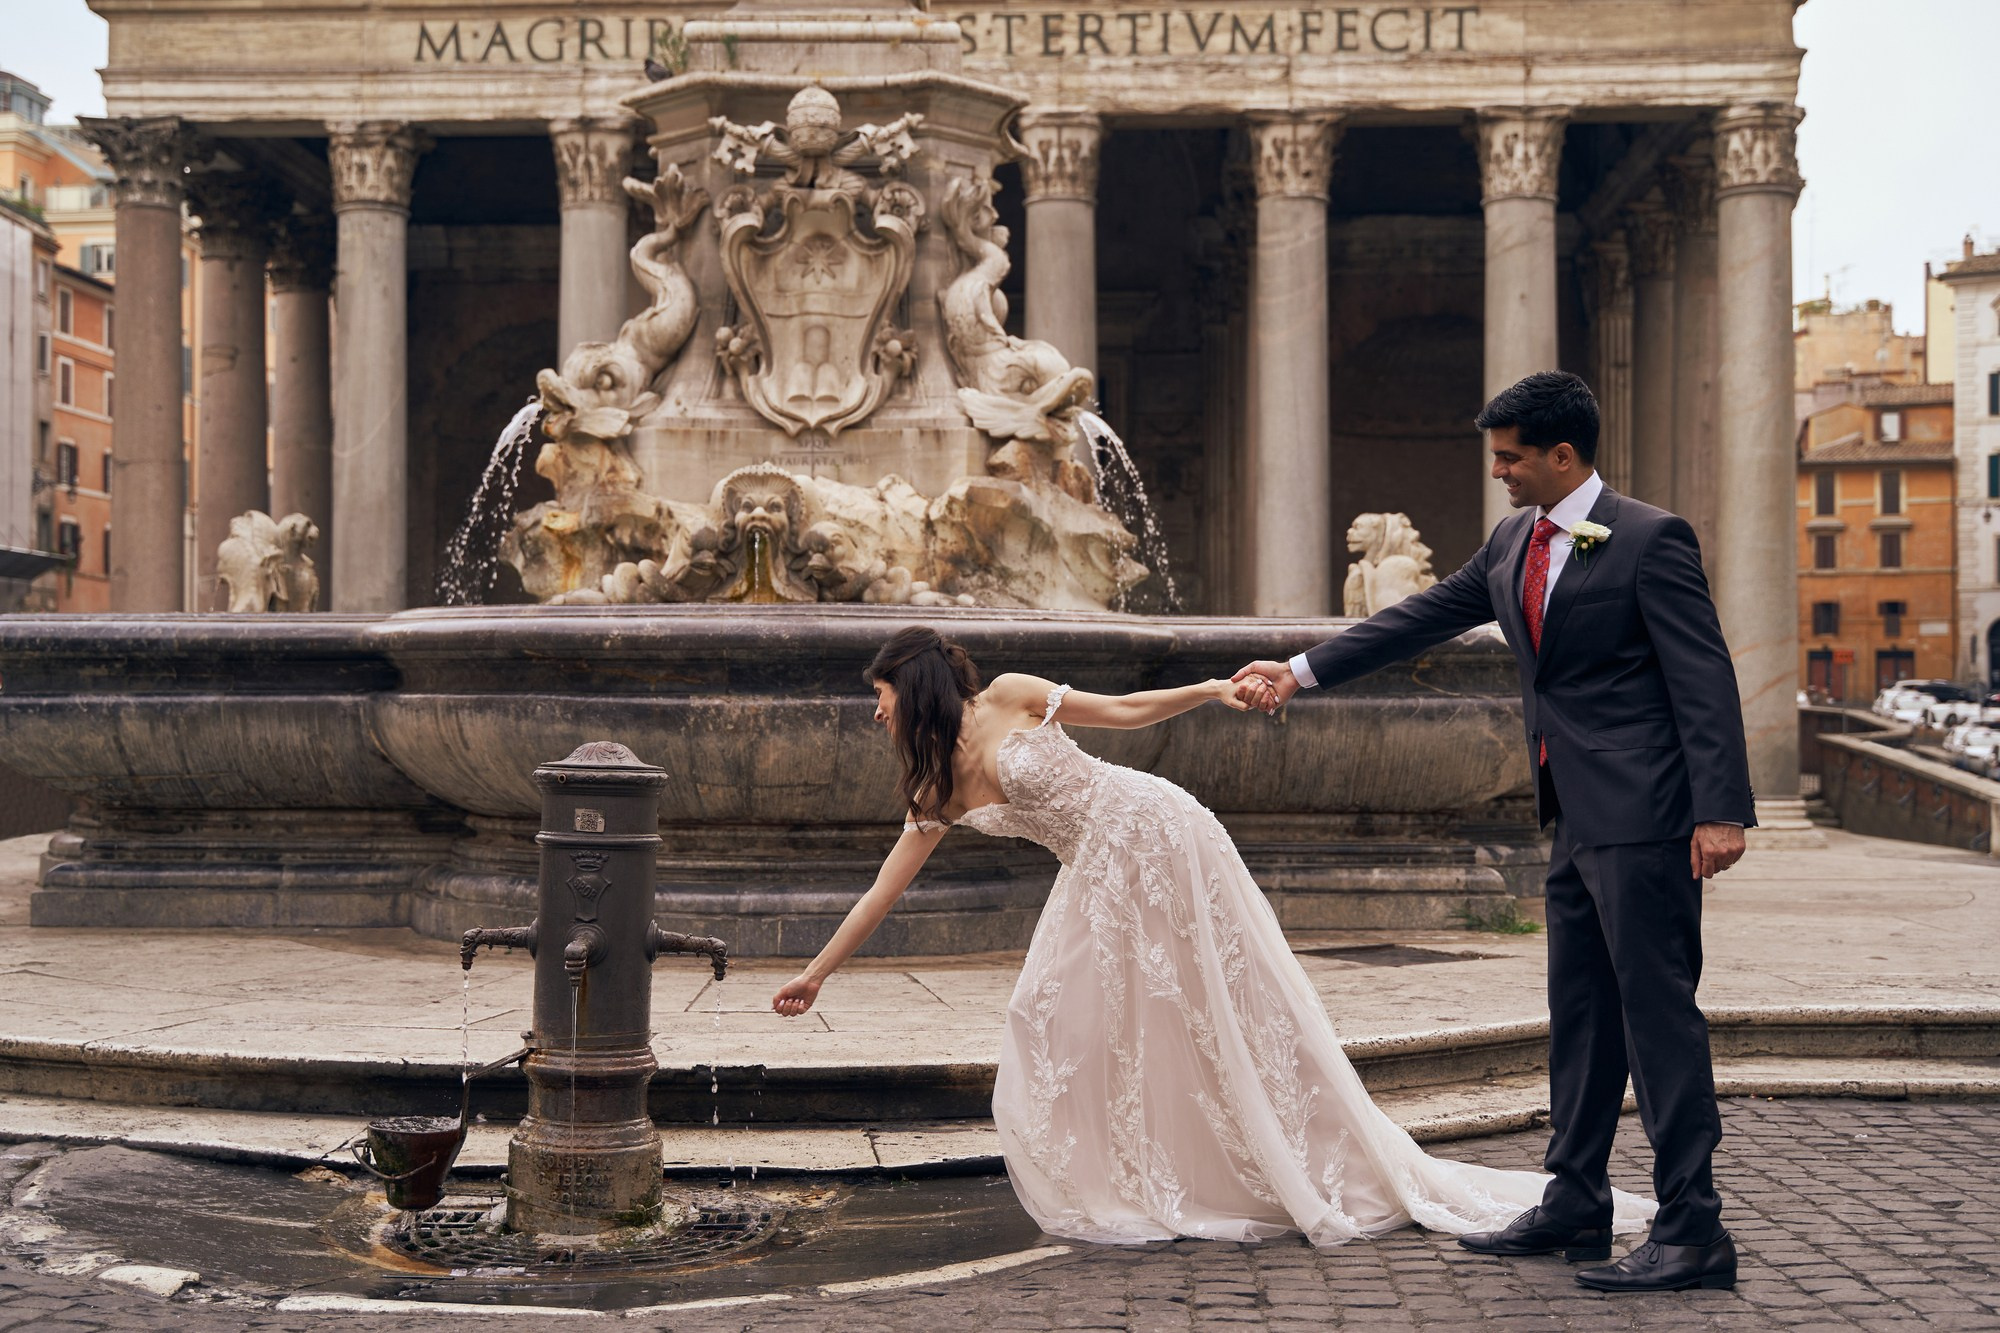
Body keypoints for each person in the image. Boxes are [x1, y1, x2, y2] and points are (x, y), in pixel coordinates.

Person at [772, 625, 1655, 1252]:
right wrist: (815, 974)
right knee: (1051, 1015)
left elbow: (1120, 713)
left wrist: (1205, 689)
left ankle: (1281, 1156)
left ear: (913, 684)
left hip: (1156, 832)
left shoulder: (1008, 695)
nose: (876, 714)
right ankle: (1152, 1171)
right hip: (1096, 869)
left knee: (1215, 1004)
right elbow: (881, 893)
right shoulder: (931, 790)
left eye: (879, 696)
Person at [1236, 370, 1753, 1293]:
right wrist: (1302, 669)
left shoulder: (1650, 538)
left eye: (1511, 457)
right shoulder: (1517, 539)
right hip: (1571, 817)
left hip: (1647, 817)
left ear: (1563, 455)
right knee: (1583, 1016)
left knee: (1658, 1018)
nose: (1498, 472)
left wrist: (1720, 810)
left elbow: (1703, 678)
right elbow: (1421, 617)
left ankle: (1694, 1228)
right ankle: (1575, 1198)